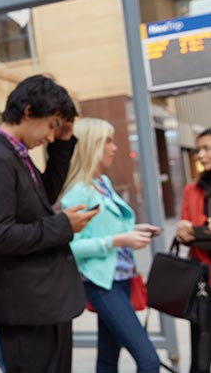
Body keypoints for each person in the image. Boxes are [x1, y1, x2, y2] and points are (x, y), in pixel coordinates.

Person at [0, 74, 99, 373]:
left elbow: (44, 197)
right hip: (25, 307)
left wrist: (64, 142)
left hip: (41, 303)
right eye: (52, 125)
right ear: (28, 111)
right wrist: (64, 225)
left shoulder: (13, 153)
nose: (51, 136)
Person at [60, 118, 161, 373]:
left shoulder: (101, 183)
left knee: (108, 357)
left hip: (121, 278)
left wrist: (133, 231)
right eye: (108, 141)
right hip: (102, 284)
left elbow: (108, 228)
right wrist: (118, 240)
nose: (114, 148)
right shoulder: (77, 193)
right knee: (148, 360)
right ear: (91, 145)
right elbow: (71, 247)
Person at [176, 128, 211, 373]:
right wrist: (190, 233)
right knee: (200, 355)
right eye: (199, 149)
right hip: (202, 286)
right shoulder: (191, 190)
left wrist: (196, 233)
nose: (200, 155)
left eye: (207, 148)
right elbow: (186, 233)